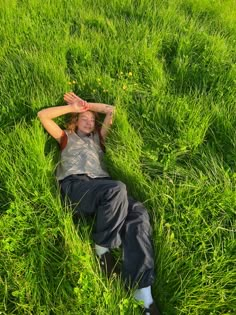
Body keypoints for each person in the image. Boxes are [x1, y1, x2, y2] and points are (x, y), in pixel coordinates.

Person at [38, 92, 161, 315]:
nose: (90, 121)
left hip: (104, 189)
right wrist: (74, 108)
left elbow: (111, 110)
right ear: (75, 121)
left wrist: (87, 106)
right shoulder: (66, 136)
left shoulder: (98, 139)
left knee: (139, 214)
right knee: (117, 188)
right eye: (84, 118)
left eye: (92, 120)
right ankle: (103, 248)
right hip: (76, 187)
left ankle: (143, 294)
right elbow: (43, 115)